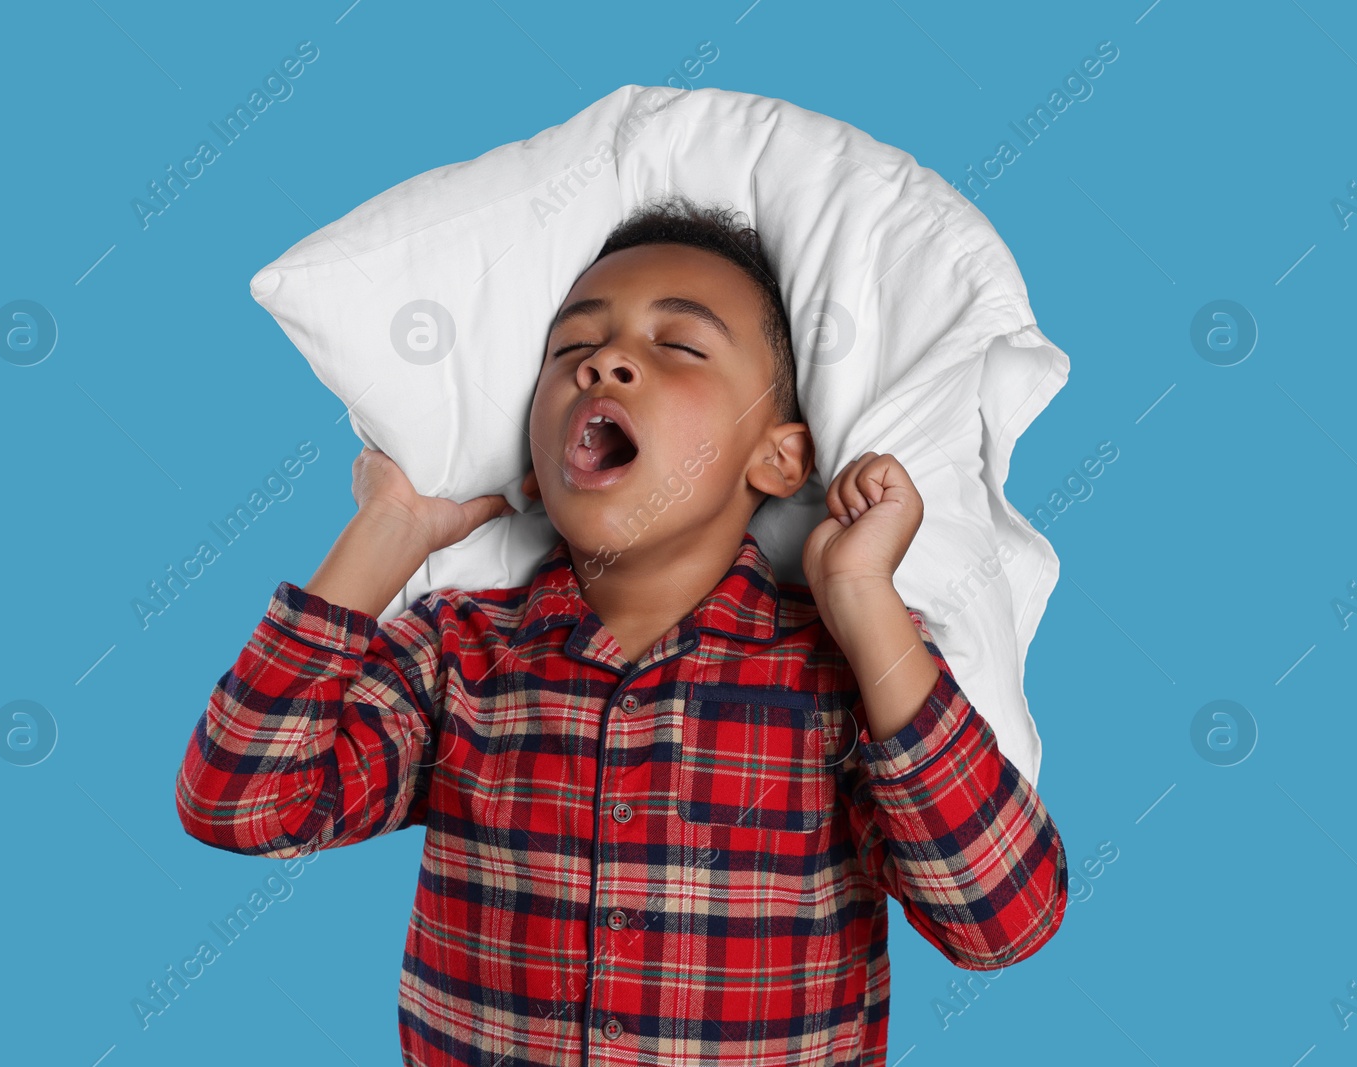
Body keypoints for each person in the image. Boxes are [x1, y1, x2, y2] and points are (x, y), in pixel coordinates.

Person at [175, 194, 1068, 1065]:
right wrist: (387, 538)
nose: (603, 365)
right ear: (536, 459)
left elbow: (1002, 921)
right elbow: (240, 804)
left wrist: (866, 598)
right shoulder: (458, 655)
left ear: (780, 456)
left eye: (678, 344)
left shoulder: (841, 676)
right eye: (573, 346)